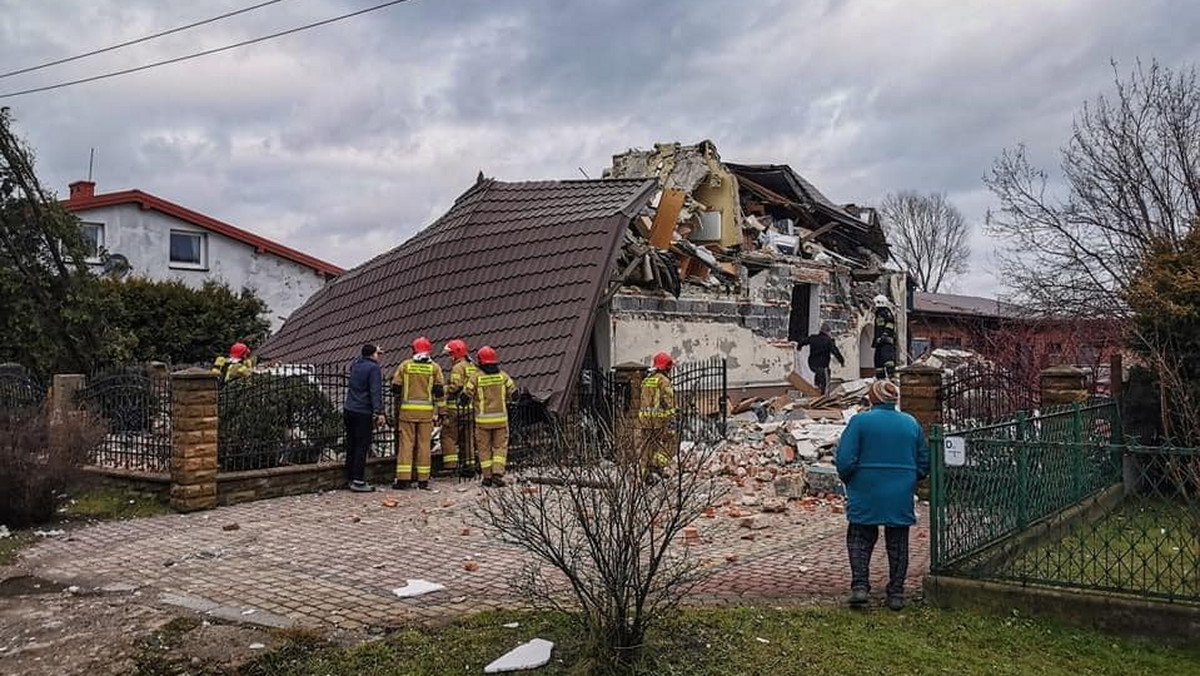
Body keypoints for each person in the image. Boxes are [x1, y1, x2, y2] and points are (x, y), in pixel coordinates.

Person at [835, 379, 929, 611]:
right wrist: (909, 478)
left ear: (872, 399)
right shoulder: (910, 423)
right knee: (898, 542)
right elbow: (924, 460)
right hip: (900, 489)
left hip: (865, 487)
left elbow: (845, 459)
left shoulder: (860, 422)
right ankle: (896, 592)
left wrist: (851, 479)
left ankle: (860, 586)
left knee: (859, 537)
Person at [391, 337, 445, 490]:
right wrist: (441, 412)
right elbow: (440, 392)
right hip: (426, 414)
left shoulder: (405, 366)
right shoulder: (434, 368)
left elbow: (395, 388)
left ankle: (403, 479)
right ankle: (423, 480)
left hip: (407, 413)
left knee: (406, 445)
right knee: (424, 445)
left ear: (413, 350)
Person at [464, 345, 517, 487]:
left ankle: (487, 477)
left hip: (482, 421)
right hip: (500, 419)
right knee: (500, 448)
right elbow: (514, 392)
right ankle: (497, 473)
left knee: (484, 448)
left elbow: (465, 395)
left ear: (480, 361)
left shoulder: (475, 377)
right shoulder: (503, 376)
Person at [344, 344, 385, 493]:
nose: (379, 357)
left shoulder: (356, 364)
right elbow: (375, 391)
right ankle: (358, 480)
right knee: (362, 445)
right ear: (372, 355)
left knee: (351, 444)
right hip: (363, 411)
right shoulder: (374, 368)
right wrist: (379, 412)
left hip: (349, 409)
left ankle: (349, 477)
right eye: (377, 354)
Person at [638, 352, 677, 480]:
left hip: (644, 420)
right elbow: (668, 402)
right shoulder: (664, 381)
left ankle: (645, 474)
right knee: (667, 445)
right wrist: (672, 418)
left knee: (646, 448)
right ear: (667, 367)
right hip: (658, 420)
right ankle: (656, 467)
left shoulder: (647, 380)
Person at [441, 339, 477, 474]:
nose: (450, 358)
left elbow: (456, 386)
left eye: (450, 354)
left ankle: (451, 465)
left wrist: (444, 389)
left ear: (456, 353)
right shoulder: (472, 366)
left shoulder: (458, 367)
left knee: (447, 435)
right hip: (471, 408)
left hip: (456, 409)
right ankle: (470, 465)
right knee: (468, 437)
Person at [797, 323, 845, 395]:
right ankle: (824, 398)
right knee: (825, 383)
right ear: (828, 332)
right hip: (823, 365)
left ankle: (816, 389)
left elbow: (803, 341)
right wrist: (841, 361)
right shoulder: (828, 341)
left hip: (812, 365)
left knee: (818, 376)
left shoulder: (813, 338)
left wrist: (799, 347)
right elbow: (835, 351)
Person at [872, 295, 898, 379]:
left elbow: (890, 324)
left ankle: (892, 378)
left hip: (886, 342)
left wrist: (885, 335)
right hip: (879, 343)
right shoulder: (879, 314)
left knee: (888, 360)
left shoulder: (886, 313)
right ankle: (881, 380)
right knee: (878, 361)